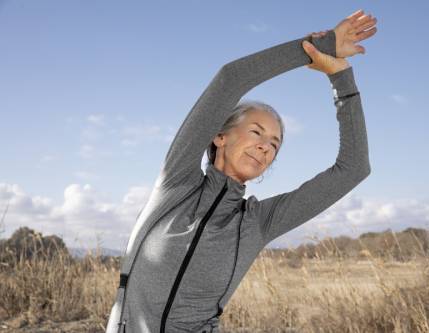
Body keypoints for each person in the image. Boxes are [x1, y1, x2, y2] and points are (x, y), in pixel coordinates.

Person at [105, 9, 377, 333]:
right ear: (220, 136)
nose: (266, 146)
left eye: (275, 144)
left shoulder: (259, 223)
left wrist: (342, 78)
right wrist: (322, 46)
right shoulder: (176, 184)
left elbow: (354, 168)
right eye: (257, 132)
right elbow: (230, 79)